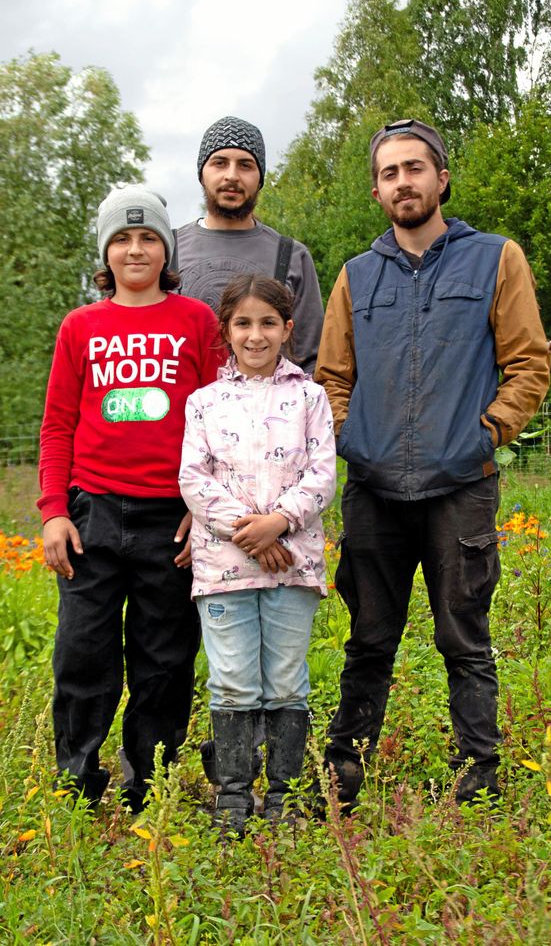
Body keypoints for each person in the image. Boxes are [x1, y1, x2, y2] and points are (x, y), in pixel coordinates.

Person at [315, 118, 551, 809]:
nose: (403, 182)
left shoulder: (495, 259)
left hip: (460, 486)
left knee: (464, 636)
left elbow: (528, 363)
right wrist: (350, 435)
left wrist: (487, 433)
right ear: (376, 191)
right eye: (389, 173)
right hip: (373, 489)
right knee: (368, 638)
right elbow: (332, 374)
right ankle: (345, 768)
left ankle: (478, 770)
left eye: (414, 168)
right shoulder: (357, 276)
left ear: (440, 178)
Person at [38, 184, 222, 812]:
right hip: (91, 514)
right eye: (123, 238)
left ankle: (152, 786)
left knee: (165, 659)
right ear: (107, 252)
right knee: (82, 654)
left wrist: (206, 514)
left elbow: (218, 421)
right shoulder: (81, 327)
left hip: (171, 521)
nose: (135, 249)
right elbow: (58, 423)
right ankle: (79, 785)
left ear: (166, 249)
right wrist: (54, 511)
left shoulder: (196, 322)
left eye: (148, 238)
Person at [179, 275, 336, 835]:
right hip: (224, 568)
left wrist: (279, 527)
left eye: (268, 322)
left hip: (293, 564)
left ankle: (287, 796)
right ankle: (234, 796)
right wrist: (249, 533)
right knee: (234, 681)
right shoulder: (203, 403)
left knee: (287, 680)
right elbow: (194, 481)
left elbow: (322, 477)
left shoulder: (311, 398)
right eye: (243, 323)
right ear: (226, 331)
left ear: (287, 329)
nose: (255, 334)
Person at [174, 115, 324, 374]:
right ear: (202, 173)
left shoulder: (291, 256)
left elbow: (312, 358)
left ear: (260, 177)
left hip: (271, 411)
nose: (231, 176)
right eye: (219, 163)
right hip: (181, 411)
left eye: (245, 165)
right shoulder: (166, 249)